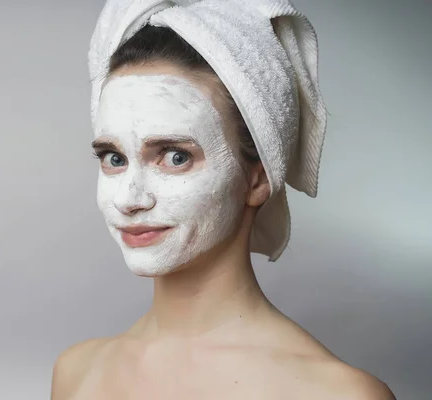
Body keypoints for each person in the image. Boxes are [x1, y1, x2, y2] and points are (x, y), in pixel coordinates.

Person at [51, 1, 396, 399]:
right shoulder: (76, 373)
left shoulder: (340, 394)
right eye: (114, 158)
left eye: (175, 156)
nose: (130, 200)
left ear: (258, 178)